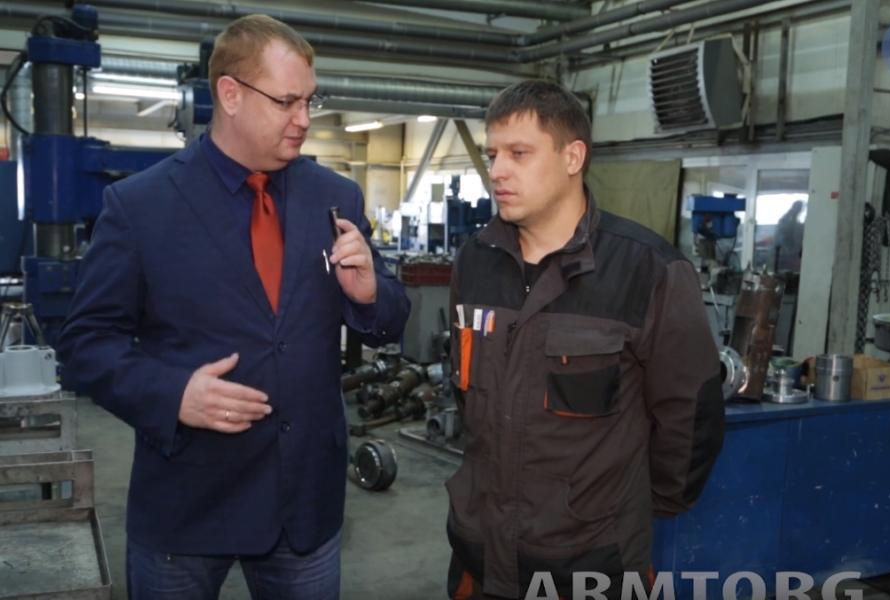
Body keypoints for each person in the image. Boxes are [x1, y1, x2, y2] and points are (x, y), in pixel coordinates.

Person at [57, 14, 409, 600]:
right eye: (287, 101)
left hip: (304, 507)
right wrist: (173, 395)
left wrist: (371, 293)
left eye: (310, 101)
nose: (304, 119)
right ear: (230, 94)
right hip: (188, 505)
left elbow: (389, 319)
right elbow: (85, 344)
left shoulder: (334, 197)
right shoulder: (140, 206)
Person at [445, 80, 725, 599]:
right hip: (478, 556)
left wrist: (631, 510)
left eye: (519, 154)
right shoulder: (475, 261)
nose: (497, 171)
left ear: (572, 157)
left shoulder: (646, 270)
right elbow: (467, 396)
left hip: (592, 566)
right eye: (492, 154)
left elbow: (691, 414)